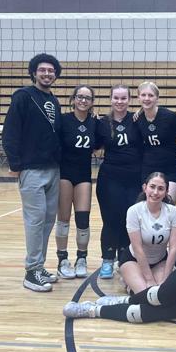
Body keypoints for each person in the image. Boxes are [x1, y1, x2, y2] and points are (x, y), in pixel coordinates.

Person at [2, 53, 62, 292]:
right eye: (42, 70)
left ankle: (39, 265)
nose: (47, 74)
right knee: (35, 220)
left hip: (53, 169)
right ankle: (31, 271)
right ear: (34, 73)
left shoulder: (54, 100)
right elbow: (10, 132)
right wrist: (15, 164)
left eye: (51, 71)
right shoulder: (23, 97)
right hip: (31, 169)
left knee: (47, 220)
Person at [55, 85, 103, 279]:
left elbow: (99, 145)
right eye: (80, 96)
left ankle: (81, 259)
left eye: (87, 98)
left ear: (92, 102)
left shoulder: (95, 123)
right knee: (64, 219)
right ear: (73, 99)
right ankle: (62, 260)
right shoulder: (63, 120)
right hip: (64, 174)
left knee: (83, 219)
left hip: (83, 175)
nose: (83, 100)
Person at [96, 84, 143, 279]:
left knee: (129, 219)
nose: (120, 101)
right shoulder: (102, 123)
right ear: (111, 99)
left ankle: (125, 260)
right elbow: (94, 146)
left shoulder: (137, 120)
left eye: (124, 98)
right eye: (116, 97)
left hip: (134, 178)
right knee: (111, 219)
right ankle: (107, 259)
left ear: (129, 100)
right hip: (110, 178)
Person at [119, 172, 176, 293]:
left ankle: (131, 284)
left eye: (161, 189)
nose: (155, 192)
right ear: (145, 187)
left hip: (160, 261)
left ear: (167, 191)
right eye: (152, 187)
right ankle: (130, 279)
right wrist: (149, 279)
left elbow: (173, 248)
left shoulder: (174, 212)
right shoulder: (134, 211)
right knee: (146, 294)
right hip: (134, 260)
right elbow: (137, 248)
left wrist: (166, 279)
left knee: (162, 293)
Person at [135, 81, 176, 204]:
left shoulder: (171, 117)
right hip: (148, 168)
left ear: (157, 98)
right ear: (138, 97)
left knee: (168, 206)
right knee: (149, 206)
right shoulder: (137, 119)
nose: (147, 98)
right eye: (143, 95)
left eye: (151, 95)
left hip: (170, 168)